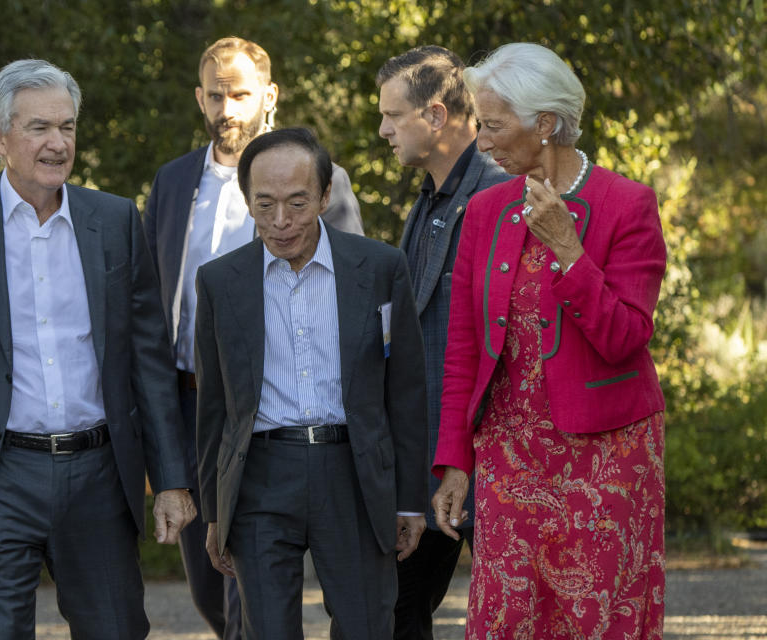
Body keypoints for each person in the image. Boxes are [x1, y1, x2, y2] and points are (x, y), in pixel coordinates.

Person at [0, 59, 195, 639]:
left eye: (67, 127)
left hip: (100, 475)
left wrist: (171, 477)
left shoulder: (116, 219)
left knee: (118, 630)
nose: (57, 143)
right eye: (39, 128)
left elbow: (149, 361)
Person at [431, 42, 667, 638]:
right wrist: (456, 463)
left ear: (545, 124)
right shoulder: (484, 212)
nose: (481, 142)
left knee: (594, 615)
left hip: (607, 454)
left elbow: (626, 338)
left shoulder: (626, 205)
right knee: (507, 616)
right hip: (510, 456)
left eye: (492, 125)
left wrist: (568, 247)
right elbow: (462, 349)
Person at [143, 36, 363, 639]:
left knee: (253, 578)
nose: (227, 108)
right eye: (215, 95)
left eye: (240, 93)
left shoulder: (320, 181)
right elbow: (150, 300)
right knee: (208, 581)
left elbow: (354, 303)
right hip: (189, 402)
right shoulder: (171, 183)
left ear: (269, 95)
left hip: (269, 412)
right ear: (199, 98)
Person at [194, 128, 428, 640]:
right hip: (259, 475)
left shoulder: (380, 268)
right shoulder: (219, 281)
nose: (281, 222)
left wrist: (410, 499)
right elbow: (215, 406)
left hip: (353, 471)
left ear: (325, 196)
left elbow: (406, 391)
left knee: (367, 625)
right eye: (265, 204)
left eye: (298, 203)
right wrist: (215, 510)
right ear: (247, 201)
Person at [375, 46, 510, 640]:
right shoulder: (427, 199)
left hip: (493, 458)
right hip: (429, 457)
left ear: (435, 116)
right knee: (394, 611)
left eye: (391, 115)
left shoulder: (501, 192)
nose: (382, 130)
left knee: (511, 618)